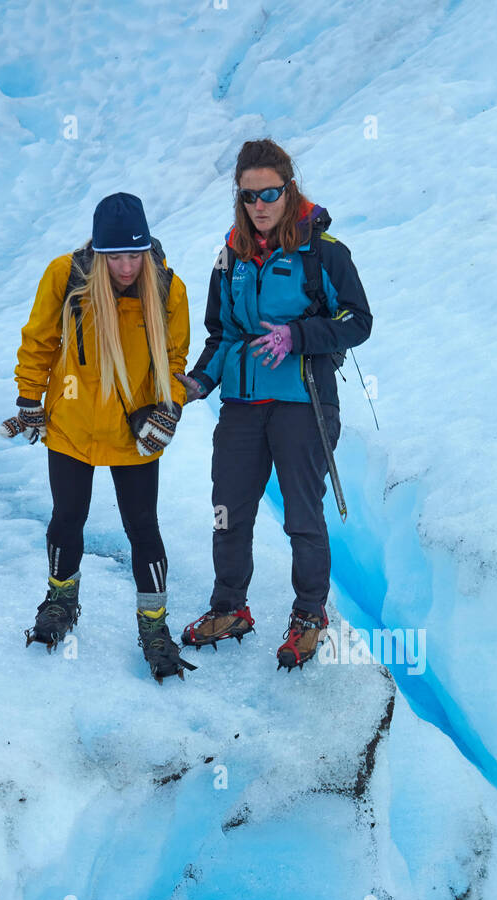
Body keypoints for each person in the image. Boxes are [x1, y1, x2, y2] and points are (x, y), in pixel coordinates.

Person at [176, 138, 372, 670]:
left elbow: (358, 321)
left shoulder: (324, 252)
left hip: (302, 403)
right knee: (228, 513)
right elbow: (222, 335)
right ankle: (229, 608)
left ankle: (309, 615)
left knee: (303, 517)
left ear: (289, 189)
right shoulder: (230, 256)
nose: (259, 205)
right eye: (248, 196)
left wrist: (299, 335)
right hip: (241, 406)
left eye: (269, 193)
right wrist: (197, 384)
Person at [1, 192, 195, 682]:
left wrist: (168, 408)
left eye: (136, 254)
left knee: (143, 528)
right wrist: (29, 398)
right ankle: (60, 603)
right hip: (72, 427)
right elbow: (40, 339)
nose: (128, 267)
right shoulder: (65, 277)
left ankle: (154, 628)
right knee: (67, 518)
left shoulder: (168, 290)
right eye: (117, 256)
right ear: (99, 251)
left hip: (134, 437)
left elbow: (174, 362)